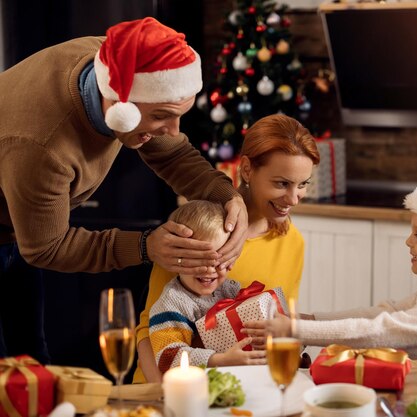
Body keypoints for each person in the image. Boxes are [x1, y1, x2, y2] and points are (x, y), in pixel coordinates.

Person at [0, 17, 248, 364]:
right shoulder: (42, 146)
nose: (173, 130)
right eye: (162, 116)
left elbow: (174, 152)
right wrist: (147, 245)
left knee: (31, 363)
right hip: (19, 226)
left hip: (17, 226)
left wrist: (228, 195)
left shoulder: (125, 61)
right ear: (120, 106)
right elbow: (46, 247)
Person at [251, 176, 417, 407]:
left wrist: (296, 331)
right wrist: (311, 320)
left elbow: (382, 330)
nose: (408, 241)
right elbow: (387, 311)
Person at [134, 113, 320, 382]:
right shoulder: (199, 227)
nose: (294, 198)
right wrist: (170, 399)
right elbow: (147, 332)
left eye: (303, 184)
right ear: (246, 169)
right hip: (169, 388)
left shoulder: (292, 242)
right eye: (282, 183)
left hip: (235, 392)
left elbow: (278, 328)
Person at [149, 200, 265, 371]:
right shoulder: (171, 304)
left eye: (219, 259)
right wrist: (220, 360)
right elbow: (168, 358)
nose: (209, 269)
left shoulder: (230, 290)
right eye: (198, 259)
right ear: (176, 257)